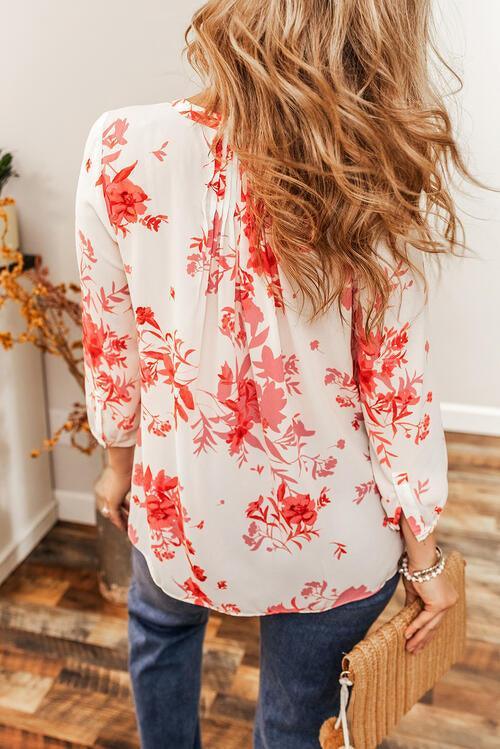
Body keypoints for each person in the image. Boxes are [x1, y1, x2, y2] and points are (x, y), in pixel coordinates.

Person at [75, 1, 466, 746]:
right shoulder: (367, 162)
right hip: (333, 537)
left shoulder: (120, 142)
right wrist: (425, 558)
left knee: (160, 629)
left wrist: (116, 467)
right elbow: (397, 392)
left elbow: (112, 343)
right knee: (293, 727)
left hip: (179, 504)